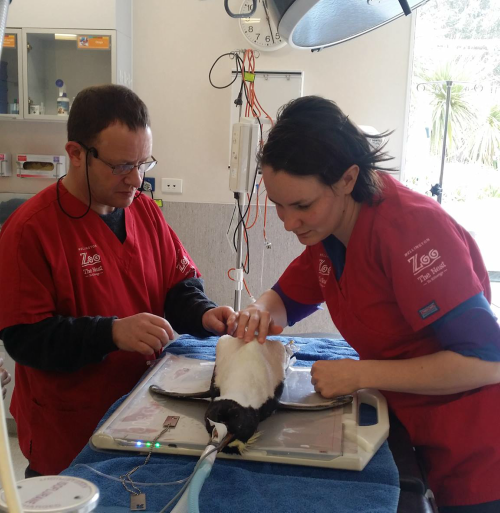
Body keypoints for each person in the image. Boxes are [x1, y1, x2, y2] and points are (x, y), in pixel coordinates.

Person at [227, 96, 500, 512]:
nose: (288, 222)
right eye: (278, 205)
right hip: (410, 429)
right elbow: (285, 299)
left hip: (474, 448)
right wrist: (259, 311)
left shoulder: (411, 232)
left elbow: (488, 361)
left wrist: (359, 375)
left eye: (301, 205)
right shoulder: (330, 230)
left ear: (348, 178)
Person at [0, 84, 234, 477]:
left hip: (144, 409)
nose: (137, 180)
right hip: (71, 428)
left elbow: (178, 286)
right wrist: (111, 333)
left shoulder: (143, 211)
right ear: (76, 154)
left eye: (144, 164)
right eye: (123, 166)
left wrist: (205, 314)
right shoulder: (30, 232)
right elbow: (25, 339)